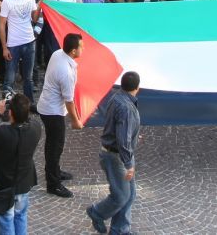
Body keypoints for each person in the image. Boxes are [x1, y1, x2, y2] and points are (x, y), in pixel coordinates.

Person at [86, 71, 142, 235]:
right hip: (117, 157)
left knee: (129, 195)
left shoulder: (118, 97)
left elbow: (120, 128)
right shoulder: (126, 107)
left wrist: (134, 134)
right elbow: (123, 140)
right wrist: (129, 165)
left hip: (116, 154)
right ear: (137, 88)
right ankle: (97, 212)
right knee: (121, 196)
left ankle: (119, 230)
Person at [0, 94, 42, 235]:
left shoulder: (4, 133)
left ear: (11, 113)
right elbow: (27, 119)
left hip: (4, 185)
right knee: (21, 215)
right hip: (24, 182)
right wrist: (22, 106)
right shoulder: (36, 128)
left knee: (6, 220)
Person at [37, 33, 84, 199]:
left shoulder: (58, 54)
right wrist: (75, 121)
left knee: (53, 145)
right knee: (54, 147)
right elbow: (69, 100)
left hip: (48, 107)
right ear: (73, 51)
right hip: (53, 112)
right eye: (81, 47)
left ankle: (55, 171)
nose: (83, 49)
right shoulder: (66, 72)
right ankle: (53, 184)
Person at [0, 0, 42, 101]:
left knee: (28, 78)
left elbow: (34, 18)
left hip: (30, 41)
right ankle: (7, 105)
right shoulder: (7, 2)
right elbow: (1, 25)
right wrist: (4, 48)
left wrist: (40, 6)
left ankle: (29, 104)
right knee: (10, 79)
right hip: (13, 44)